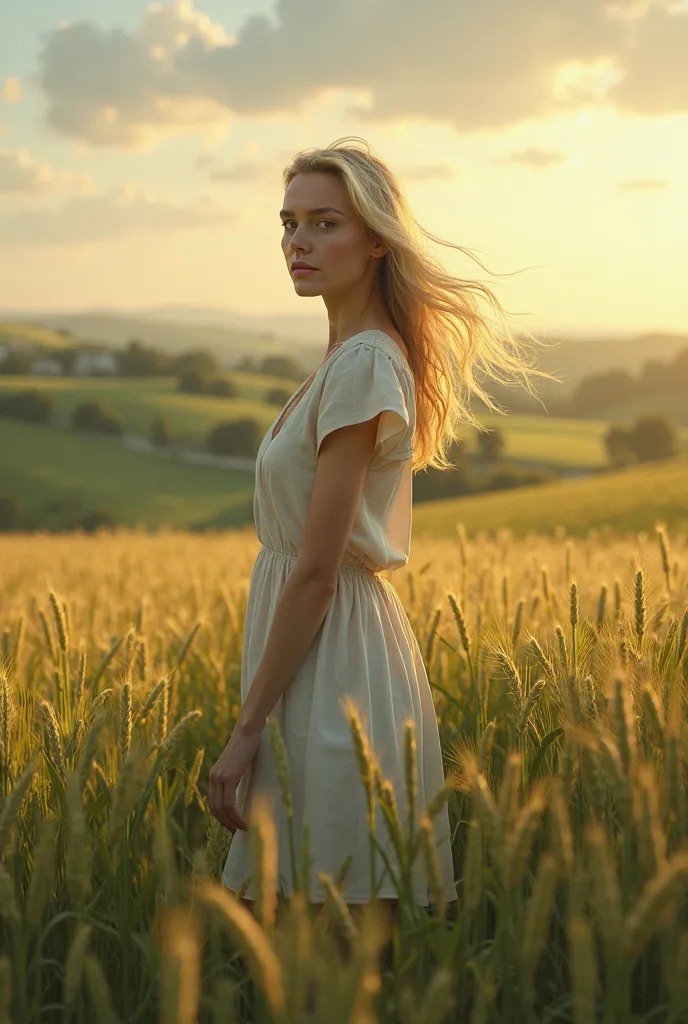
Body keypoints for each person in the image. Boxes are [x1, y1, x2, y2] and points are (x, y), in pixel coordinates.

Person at [208, 137, 554, 934]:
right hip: (313, 653)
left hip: (335, 663)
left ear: (375, 240)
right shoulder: (340, 360)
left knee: (330, 939)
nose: (298, 241)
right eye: (289, 223)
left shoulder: (364, 364)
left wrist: (246, 727)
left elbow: (319, 570)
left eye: (324, 223)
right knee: (297, 931)